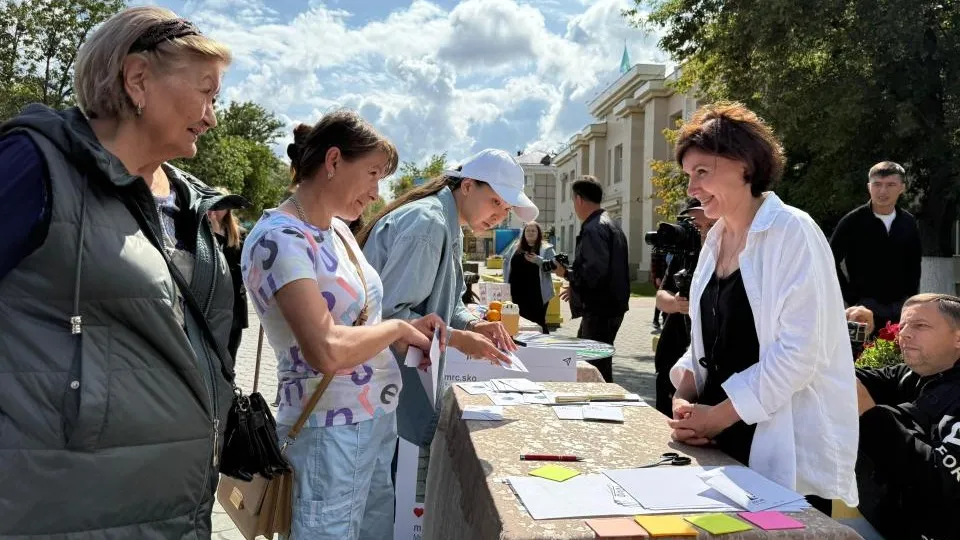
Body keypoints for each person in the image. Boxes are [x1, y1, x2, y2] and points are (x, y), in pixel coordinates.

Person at [0, 7, 239, 537]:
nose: (212, 117)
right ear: (137, 79)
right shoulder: (35, 164)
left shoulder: (192, 204)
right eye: (206, 92)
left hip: (178, 510)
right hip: (60, 511)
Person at [241, 111, 446, 539]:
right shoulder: (280, 238)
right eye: (372, 174)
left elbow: (360, 320)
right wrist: (396, 331)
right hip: (329, 430)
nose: (376, 192)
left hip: (374, 416)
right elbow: (327, 348)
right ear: (333, 161)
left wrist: (407, 331)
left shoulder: (336, 230)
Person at [666, 102, 859, 514]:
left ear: (745, 165)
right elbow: (706, 341)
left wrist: (715, 417)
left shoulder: (793, 231)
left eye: (702, 171)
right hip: (719, 444)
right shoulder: (714, 239)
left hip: (779, 451)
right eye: (688, 175)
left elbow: (799, 354)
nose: (691, 188)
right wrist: (683, 399)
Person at [359, 148, 536, 448]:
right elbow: (390, 316)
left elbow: (445, 300)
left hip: (395, 387)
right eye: (495, 201)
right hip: (379, 388)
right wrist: (456, 339)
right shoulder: (429, 223)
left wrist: (472, 325)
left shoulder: (449, 223)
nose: (499, 215)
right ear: (467, 186)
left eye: (506, 208)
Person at [843, 294, 960, 540]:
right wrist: (850, 336)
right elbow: (844, 379)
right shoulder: (912, 374)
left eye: (920, 325)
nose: (904, 334)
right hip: (877, 520)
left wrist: (871, 417)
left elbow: (939, 480)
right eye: (903, 325)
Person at [554, 175, 630, 383]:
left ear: (579, 199)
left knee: (592, 366)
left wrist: (566, 274)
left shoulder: (593, 228)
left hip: (600, 309)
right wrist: (575, 286)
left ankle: (601, 399)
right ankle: (601, 397)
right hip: (610, 306)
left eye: (573, 200)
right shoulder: (611, 224)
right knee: (593, 361)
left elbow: (594, 274)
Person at [831, 161, 921, 328]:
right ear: (869, 187)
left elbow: (914, 264)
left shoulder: (908, 222)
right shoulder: (852, 221)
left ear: (902, 188)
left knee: (898, 345)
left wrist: (911, 300)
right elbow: (829, 260)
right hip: (863, 308)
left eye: (890, 185)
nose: (883, 191)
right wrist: (851, 298)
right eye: (877, 184)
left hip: (900, 307)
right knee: (866, 346)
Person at [653, 198, 716, 417]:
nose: (704, 233)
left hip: (707, 366)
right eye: (698, 226)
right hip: (674, 352)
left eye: (711, 225)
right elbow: (660, 296)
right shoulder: (686, 254)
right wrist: (676, 303)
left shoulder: (731, 256)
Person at [208, 188, 249, 359]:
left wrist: (218, 234)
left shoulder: (239, 234)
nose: (216, 210)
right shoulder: (201, 232)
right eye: (213, 205)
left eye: (221, 205)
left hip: (234, 304)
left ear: (228, 209)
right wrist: (213, 232)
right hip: (210, 302)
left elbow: (239, 269)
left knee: (230, 355)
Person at [503, 221, 556, 333]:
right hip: (517, 293)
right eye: (527, 230)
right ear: (524, 233)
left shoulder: (546, 248)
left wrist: (539, 260)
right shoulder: (515, 247)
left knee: (538, 322)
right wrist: (506, 283)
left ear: (538, 233)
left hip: (537, 294)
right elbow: (506, 261)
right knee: (520, 322)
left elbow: (555, 266)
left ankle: (542, 343)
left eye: (533, 231)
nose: (530, 233)